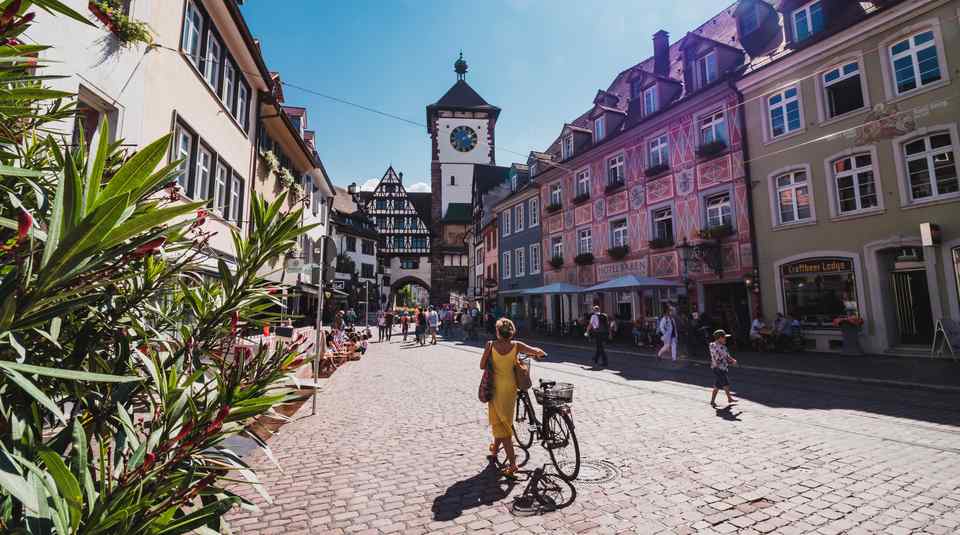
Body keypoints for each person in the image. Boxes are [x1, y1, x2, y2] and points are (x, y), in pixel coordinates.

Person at [480, 318, 546, 479]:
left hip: (495, 388)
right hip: (510, 388)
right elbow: (534, 350)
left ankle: (513, 465)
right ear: (511, 332)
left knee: (504, 428)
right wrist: (541, 353)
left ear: (497, 331)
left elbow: (482, 365)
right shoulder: (516, 345)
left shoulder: (490, 345)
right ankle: (495, 449)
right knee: (503, 421)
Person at [709, 329, 738, 407]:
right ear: (719, 338)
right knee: (726, 383)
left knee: (717, 385)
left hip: (716, 367)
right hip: (720, 368)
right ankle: (729, 398)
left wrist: (730, 360)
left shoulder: (712, 345)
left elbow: (724, 356)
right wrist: (733, 361)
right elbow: (726, 357)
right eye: (724, 337)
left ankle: (712, 401)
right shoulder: (722, 347)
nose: (725, 339)